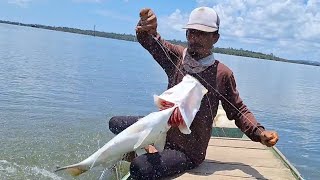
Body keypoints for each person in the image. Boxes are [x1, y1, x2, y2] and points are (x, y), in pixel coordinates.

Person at [109, 6, 279, 179]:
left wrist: (259, 133)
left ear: (215, 38)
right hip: (162, 132)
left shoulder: (222, 74)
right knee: (115, 123)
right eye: (191, 32)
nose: (194, 38)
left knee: (140, 167)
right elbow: (152, 42)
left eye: (202, 34)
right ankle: (146, 147)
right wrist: (146, 28)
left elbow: (238, 110)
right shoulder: (177, 57)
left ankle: (143, 152)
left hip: (187, 151)